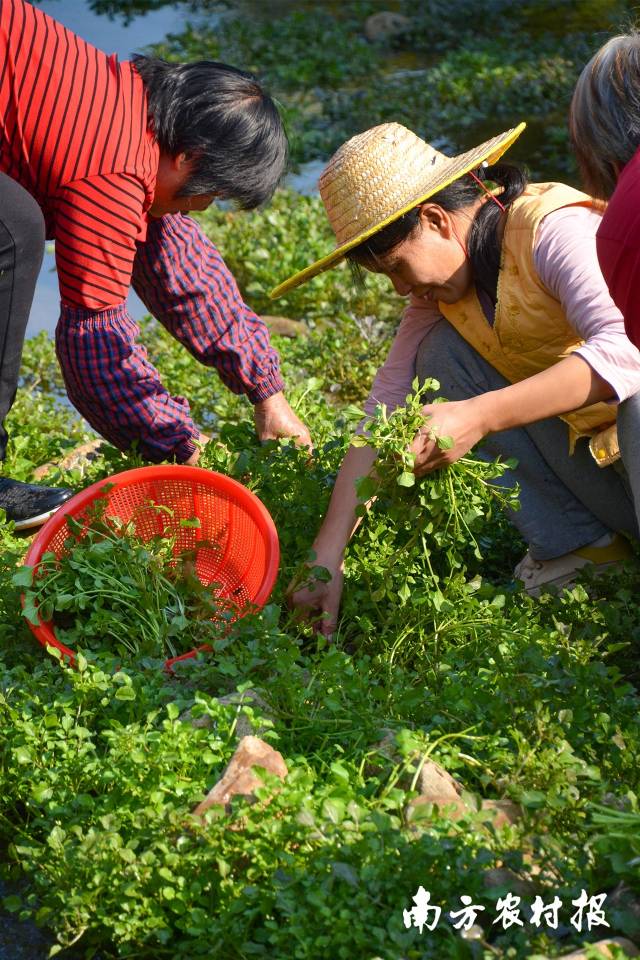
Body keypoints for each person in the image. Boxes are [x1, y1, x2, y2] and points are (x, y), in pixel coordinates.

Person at [270, 122, 640, 633]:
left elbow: (626, 353)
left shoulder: (551, 231)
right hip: (612, 476)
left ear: (437, 219)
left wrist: (481, 415)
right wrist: (325, 557)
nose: (402, 289)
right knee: (440, 355)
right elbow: (384, 411)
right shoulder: (441, 293)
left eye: (398, 268)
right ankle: (585, 553)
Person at [0, 0, 310, 530]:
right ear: (187, 154)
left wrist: (267, 391)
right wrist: (183, 451)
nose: (202, 207)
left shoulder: (135, 115)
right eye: (209, 192)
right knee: (14, 231)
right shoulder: (115, 166)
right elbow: (95, 349)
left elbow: (177, 261)